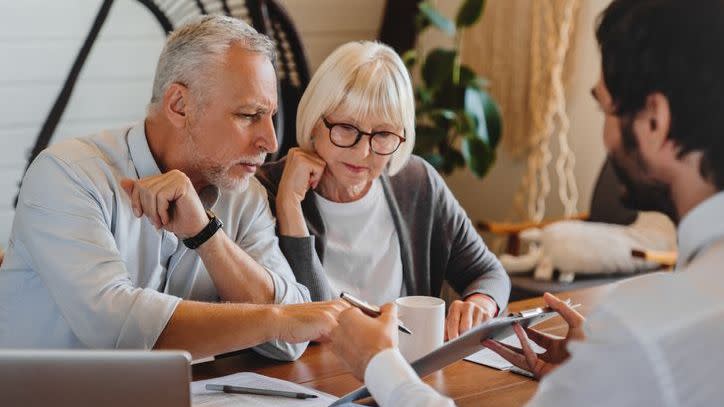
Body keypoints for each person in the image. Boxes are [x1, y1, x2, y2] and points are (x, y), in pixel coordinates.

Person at [329, 0, 724, 405]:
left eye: (603, 108)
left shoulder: (643, 330)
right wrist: (590, 378)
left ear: (654, 121)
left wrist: (380, 366)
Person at [0, 15, 348, 361]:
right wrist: (275, 319)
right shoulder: (67, 175)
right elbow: (114, 329)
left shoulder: (245, 195)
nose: (269, 141)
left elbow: (291, 341)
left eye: (269, 116)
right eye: (248, 115)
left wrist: (207, 236)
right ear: (179, 106)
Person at [256, 41, 510, 340]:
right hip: (312, 376)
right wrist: (289, 207)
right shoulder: (267, 190)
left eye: (384, 134)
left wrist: (481, 303)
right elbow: (304, 321)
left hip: (404, 368)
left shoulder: (415, 182)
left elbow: (489, 273)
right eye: (347, 128)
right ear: (314, 122)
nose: (364, 151)